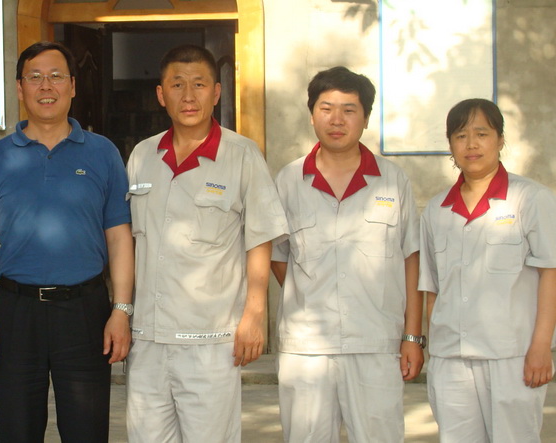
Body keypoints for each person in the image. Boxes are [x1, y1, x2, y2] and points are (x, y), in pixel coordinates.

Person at [0, 41, 133, 442]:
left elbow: (119, 237)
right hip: (15, 313)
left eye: (56, 76)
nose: (46, 86)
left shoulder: (103, 153)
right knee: (17, 431)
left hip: (85, 311)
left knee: (87, 432)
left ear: (73, 86)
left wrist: (121, 310)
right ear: (19, 87)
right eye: (35, 77)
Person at [125, 44, 287, 442]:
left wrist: (254, 315)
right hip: (147, 338)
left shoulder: (242, 155)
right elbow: (127, 243)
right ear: (161, 94)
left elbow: (260, 238)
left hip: (211, 342)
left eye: (198, 84)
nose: (188, 95)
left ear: (216, 92)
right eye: (177, 84)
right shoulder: (143, 155)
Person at [271, 66, 423, 442]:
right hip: (306, 349)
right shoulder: (288, 181)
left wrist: (412, 336)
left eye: (349, 110)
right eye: (326, 108)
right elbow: (277, 256)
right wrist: (311, 294)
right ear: (312, 115)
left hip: (375, 342)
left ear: (366, 118)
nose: (336, 120)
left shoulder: (393, 181)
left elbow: (411, 260)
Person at [419, 98, 556, 442]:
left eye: (482, 134)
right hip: (451, 360)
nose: (472, 144)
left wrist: (541, 346)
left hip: (511, 356)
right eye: (461, 135)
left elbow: (550, 273)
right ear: (450, 145)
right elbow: (432, 288)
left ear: (500, 139)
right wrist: (435, 349)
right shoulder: (436, 210)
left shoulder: (530, 199)